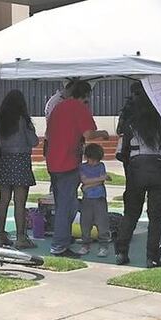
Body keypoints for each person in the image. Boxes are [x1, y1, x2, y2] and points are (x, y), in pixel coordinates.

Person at [114, 83, 161, 268]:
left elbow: (121, 153)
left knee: (131, 214)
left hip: (136, 171)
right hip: (159, 171)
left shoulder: (129, 123)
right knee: (156, 218)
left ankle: (121, 252)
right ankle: (152, 258)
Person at [45, 80, 109, 257]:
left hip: (53, 161)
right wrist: (102, 134)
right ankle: (59, 244)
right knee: (68, 206)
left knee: (62, 204)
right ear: (85, 96)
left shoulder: (58, 107)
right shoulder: (79, 108)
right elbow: (88, 134)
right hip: (67, 161)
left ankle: (62, 238)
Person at [0, 89, 40, 248]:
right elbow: (34, 141)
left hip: (3, 161)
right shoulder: (22, 120)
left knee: (3, 200)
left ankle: (0, 234)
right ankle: (21, 237)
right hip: (20, 161)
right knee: (20, 202)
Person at [78, 143, 110, 256]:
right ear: (86, 157)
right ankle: (85, 245)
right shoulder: (82, 167)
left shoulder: (101, 166)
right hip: (87, 199)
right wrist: (100, 179)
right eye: (92, 160)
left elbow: (91, 182)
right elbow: (84, 181)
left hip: (100, 198)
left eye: (96, 160)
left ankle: (103, 246)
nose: (94, 163)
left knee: (102, 224)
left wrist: (87, 186)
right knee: (85, 223)